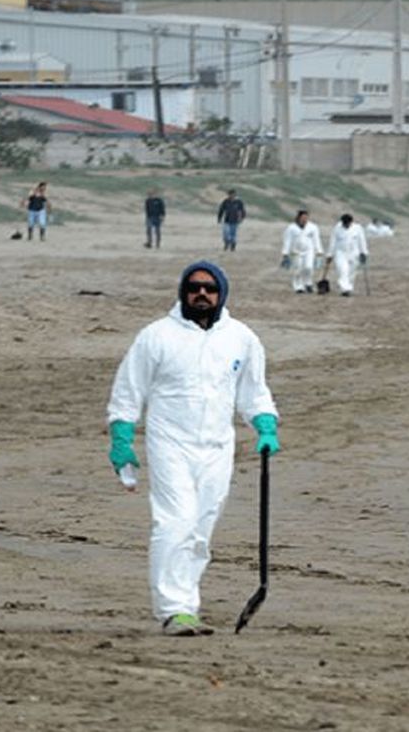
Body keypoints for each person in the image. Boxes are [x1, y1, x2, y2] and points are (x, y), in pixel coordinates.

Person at [106, 261, 280, 636]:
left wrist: (265, 423)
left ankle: (188, 606)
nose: (202, 294)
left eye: (210, 288)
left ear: (221, 294)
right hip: (170, 444)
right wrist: (122, 438)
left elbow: (253, 392)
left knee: (200, 530)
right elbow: (127, 391)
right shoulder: (156, 336)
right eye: (194, 287)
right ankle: (174, 610)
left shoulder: (241, 338)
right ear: (183, 292)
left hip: (218, 448)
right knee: (175, 522)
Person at [281, 209, 322, 294]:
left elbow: (316, 239)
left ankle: (308, 283)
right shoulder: (291, 228)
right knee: (298, 269)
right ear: (299, 217)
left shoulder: (313, 227)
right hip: (296, 251)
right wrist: (285, 253)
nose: (304, 220)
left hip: (309, 250)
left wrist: (319, 251)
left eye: (306, 218)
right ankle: (298, 286)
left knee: (308, 267)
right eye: (303, 218)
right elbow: (287, 240)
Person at [327, 213, 369, 296]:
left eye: (348, 223)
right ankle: (345, 289)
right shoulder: (337, 228)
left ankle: (349, 288)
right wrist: (330, 254)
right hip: (341, 253)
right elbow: (333, 242)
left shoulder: (358, 228)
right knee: (343, 270)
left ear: (351, 222)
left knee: (352, 272)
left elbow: (362, 241)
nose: (346, 225)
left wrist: (363, 252)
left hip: (354, 253)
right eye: (344, 223)